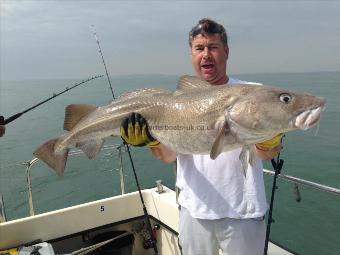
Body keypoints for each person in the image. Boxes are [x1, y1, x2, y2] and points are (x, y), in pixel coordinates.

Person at [120, 18, 283, 255]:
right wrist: (151, 141)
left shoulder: (252, 93)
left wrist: (270, 137)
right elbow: (168, 156)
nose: (206, 55)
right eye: (199, 48)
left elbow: (265, 153)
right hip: (193, 211)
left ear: (226, 52)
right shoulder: (176, 103)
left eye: (213, 47)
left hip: (243, 214)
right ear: (192, 55)